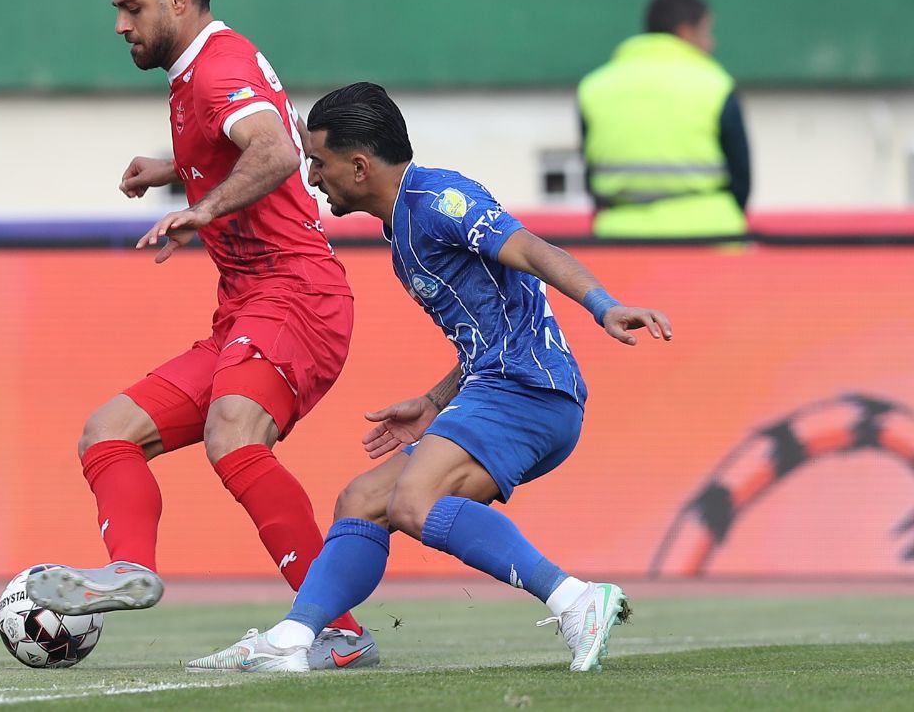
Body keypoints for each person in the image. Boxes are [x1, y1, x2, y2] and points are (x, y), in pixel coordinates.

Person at [188, 83, 672, 674]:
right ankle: (296, 638)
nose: (311, 177)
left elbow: (530, 250)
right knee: (363, 501)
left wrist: (604, 305)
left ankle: (575, 599)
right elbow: (490, 327)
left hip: (529, 391)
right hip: (499, 388)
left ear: (359, 167)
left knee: (416, 503)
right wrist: (436, 400)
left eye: (318, 161)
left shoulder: (439, 200)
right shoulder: (402, 226)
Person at [24, 0, 378, 670]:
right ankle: (130, 570)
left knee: (234, 433)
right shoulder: (200, 68)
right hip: (247, 305)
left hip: (296, 293)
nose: (120, 24)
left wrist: (204, 206)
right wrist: (174, 168)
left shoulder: (217, 68)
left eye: (131, 7)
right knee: (107, 433)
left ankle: (338, 631)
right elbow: (249, 139)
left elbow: (275, 149)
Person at [579, 0, 751, 238]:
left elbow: (590, 172)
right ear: (685, 31)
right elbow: (741, 177)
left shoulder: (594, 87)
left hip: (619, 239)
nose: (711, 43)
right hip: (711, 236)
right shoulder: (716, 84)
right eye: (706, 32)